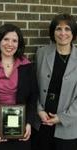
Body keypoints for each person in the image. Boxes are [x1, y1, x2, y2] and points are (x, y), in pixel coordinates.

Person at [0, 24, 38, 150]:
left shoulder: (27, 66)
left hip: (21, 129)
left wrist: (28, 123)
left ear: (19, 44)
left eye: (14, 40)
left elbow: (33, 97)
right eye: (6, 39)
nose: (10, 44)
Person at [35, 13, 77, 150]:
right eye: (58, 29)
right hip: (42, 122)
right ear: (53, 32)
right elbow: (33, 85)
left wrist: (62, 118)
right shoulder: (41, 53)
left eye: (67, 29)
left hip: (68, 127)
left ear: (73, 33)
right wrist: (39, 110)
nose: (62, 33)